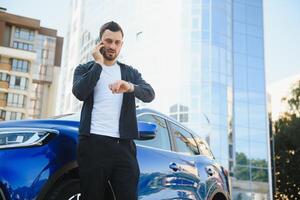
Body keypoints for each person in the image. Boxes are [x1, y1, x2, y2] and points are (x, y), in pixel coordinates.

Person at [72, 21, 155, 200]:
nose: (112, 46)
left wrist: (130, 86)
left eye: (117, 42)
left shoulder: (129, 73)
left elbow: (150, 94)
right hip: (92, 144)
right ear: (99, 42)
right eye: (108, 41)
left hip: (123, 148)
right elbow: (79, 92)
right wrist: (98, 64)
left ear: (121, 45)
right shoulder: (84, 69)